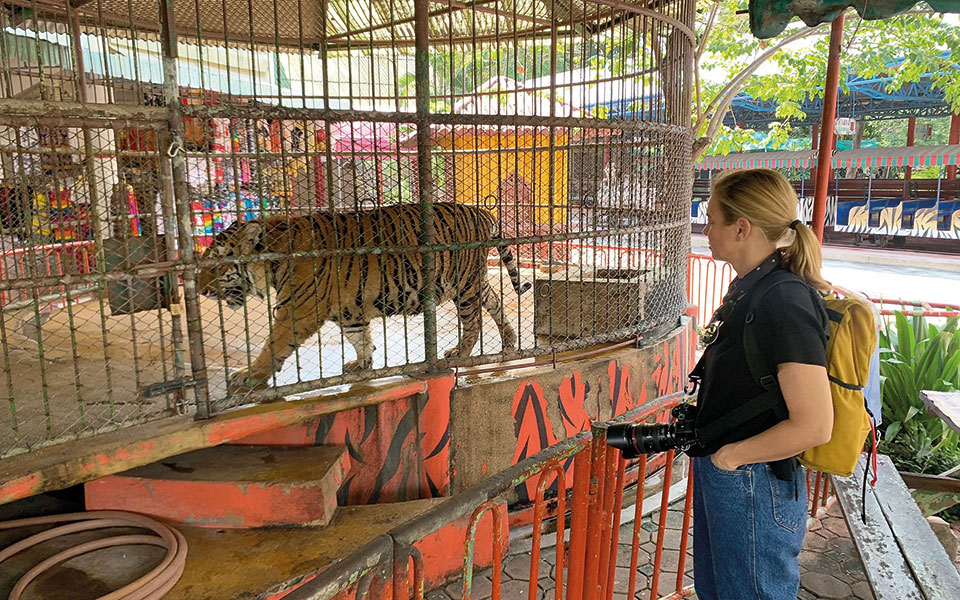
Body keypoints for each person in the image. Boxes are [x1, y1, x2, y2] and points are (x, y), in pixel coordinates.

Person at [689, 168, 834, 600]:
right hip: (734, 475)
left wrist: (731, 457)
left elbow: (814, 425)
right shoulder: (751, 289)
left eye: (712, 219)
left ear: (741, 227)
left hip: (753, 480)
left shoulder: (784, 299)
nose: (706, 228)